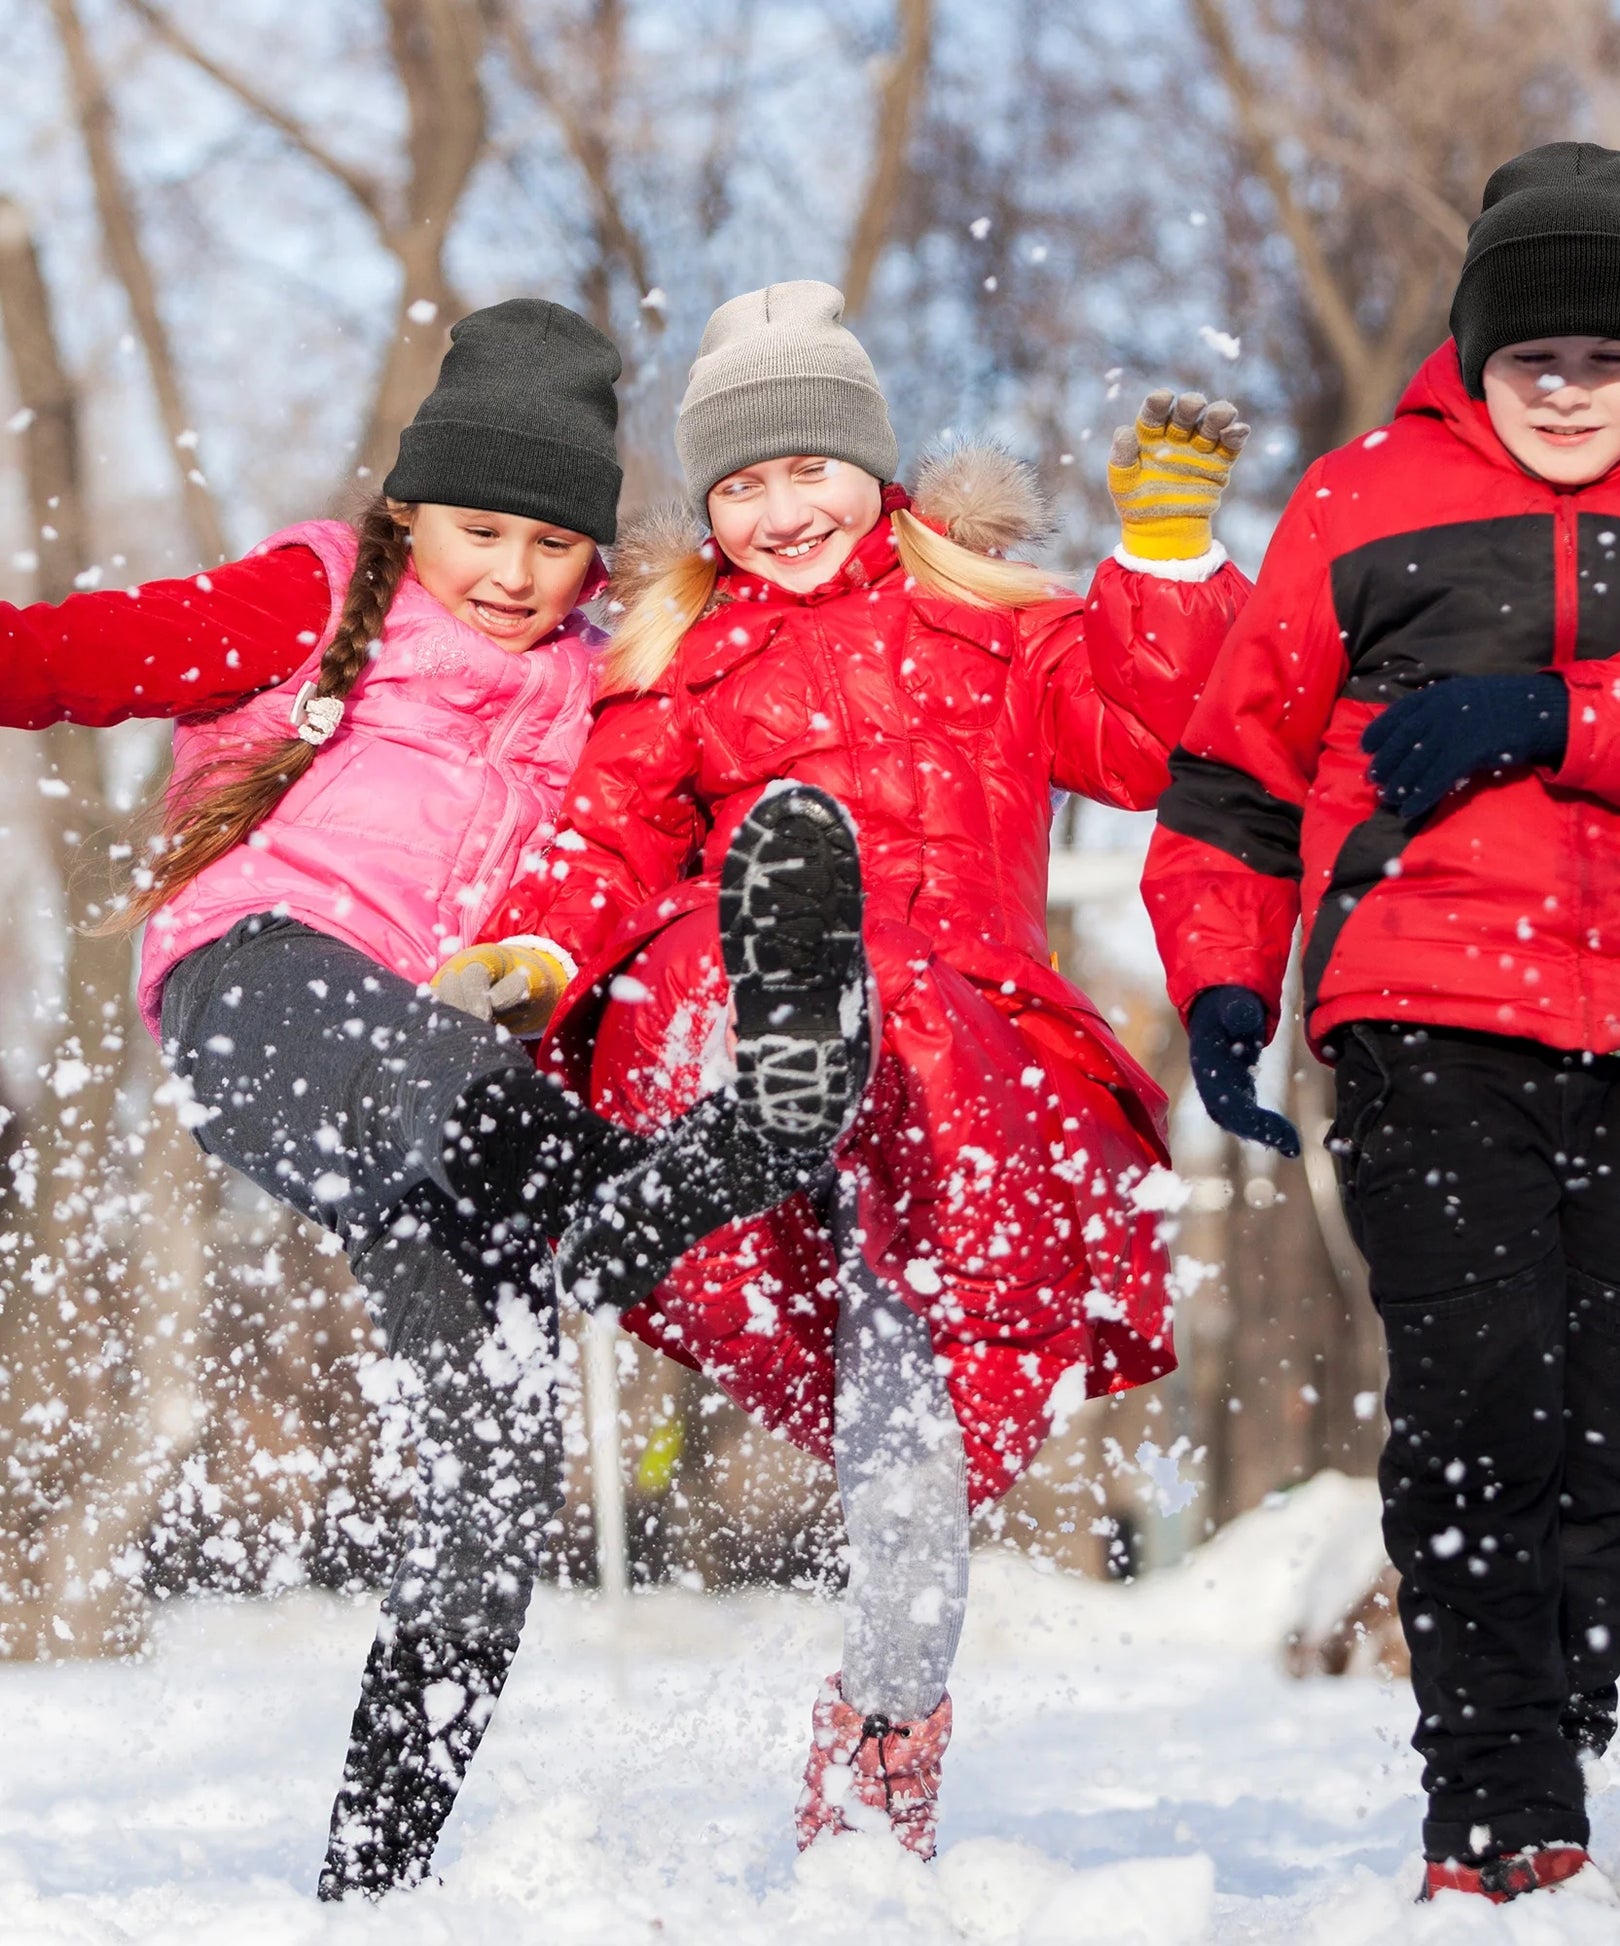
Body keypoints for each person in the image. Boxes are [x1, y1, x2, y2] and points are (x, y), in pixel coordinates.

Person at [445, 279, 1252, 1857]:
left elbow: (1154, 740)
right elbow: (607, 841)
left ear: (872, 467)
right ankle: (762, 1087)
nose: (775, 510)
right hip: (744, 1044)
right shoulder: (685, 668)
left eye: (803, 468)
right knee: (729, 958)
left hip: (953, 1079)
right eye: (737, 485)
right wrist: (538, 954)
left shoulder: (1001, 626)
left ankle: (883, 1736)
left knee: (913, 1452)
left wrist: (1159, 558)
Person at [0, 298, 788, 1899]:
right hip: (263, 986)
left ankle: (378, 1873)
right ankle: (633, 1200)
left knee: (494, 1483)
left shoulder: (602, 670)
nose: (511, 573)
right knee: (431, 1070)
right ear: (411, 510)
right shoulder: (319, 596)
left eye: (554, 545)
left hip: (468, 1094)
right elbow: (86, 659)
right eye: (479, 529)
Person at [1141, 144, 1620, 1903]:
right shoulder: (1358, 502)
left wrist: (1551, 710)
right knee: (1481, 1390)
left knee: (1605, 1419)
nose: (1566, 388)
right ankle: (1494, 1804)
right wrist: (1225, 978)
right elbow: (1231, 773)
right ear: (1474, 350)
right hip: (1419, 1006)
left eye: (1605, 358)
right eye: (1532, 355)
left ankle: (1554, 1737)